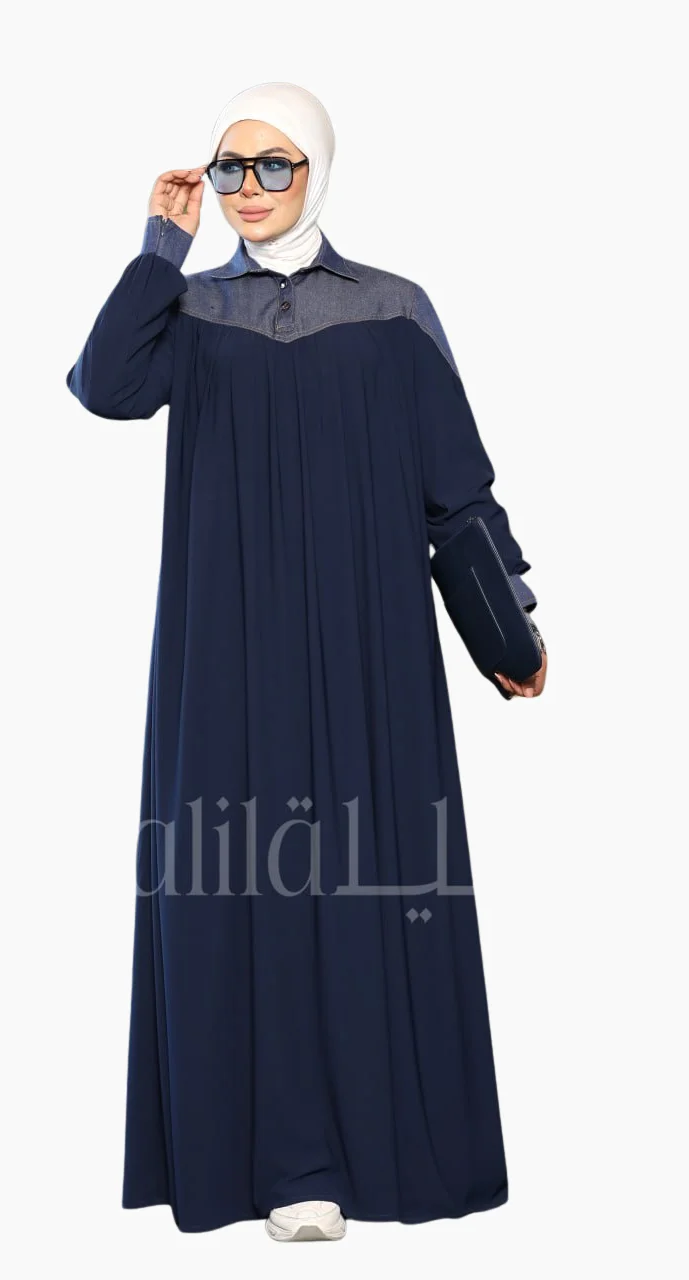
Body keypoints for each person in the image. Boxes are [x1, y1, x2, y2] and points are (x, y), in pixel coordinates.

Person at [65, 80, 547, 1241]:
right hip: (223, 651)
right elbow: (105, 387)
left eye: (273, 164)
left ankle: (373, 1147)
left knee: (371, 879)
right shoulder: (192, 311)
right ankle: (284, 1164)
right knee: (237, 881)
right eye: (229, 167)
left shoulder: (391, 309)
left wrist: (505, 630)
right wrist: (158, 248)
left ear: (317, 169)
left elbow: (455, 488)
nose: (250, 188)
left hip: (366, 639)